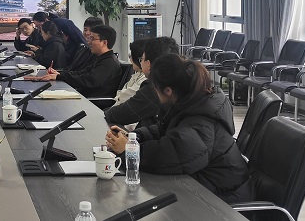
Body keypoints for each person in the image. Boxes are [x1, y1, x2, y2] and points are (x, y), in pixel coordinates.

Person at [104, 54, 252, 203]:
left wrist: (129, 151)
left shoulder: (201, 121)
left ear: (168, 91)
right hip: (202, 186)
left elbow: (169, 154)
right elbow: (162, 131)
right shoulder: (190, 104)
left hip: (223, 200)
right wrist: (133, 137)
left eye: (155, 88)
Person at [103, 36, 179, 129]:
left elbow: (121, 114)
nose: (141, 63)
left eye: (142, 59)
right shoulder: (177, 82)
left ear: (149, 64)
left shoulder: (154, 87)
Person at [26, 25, 121, 98]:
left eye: (92, 39)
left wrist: (60, 76)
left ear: (104, 42)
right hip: (82, 96)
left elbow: (87, 80)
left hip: (91, 102)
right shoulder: (100, 58)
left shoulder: (108, 63)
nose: (89, 41)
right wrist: (60, 74)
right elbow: (82, 73)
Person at [110, 39, 148, 105]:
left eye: (131, 56)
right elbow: (121, 94)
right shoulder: (137, 74)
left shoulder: (145, 79)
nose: (130, 59)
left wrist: (120, 96)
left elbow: (126, 96)